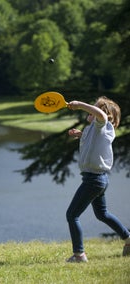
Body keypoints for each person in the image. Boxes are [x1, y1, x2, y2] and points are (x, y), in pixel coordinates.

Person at [65, 96, 130, 262]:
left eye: (94, 108)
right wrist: (80, 135)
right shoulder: (93, 129)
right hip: (98, 179)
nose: (91, 110)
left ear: (104, 114)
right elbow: (94, 141)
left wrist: (80, 104)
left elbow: (100, 115)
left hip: (93, 180)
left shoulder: (102, 124)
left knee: (72, 215)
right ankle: (128, 240)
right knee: (102, 214)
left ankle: (79, 255)